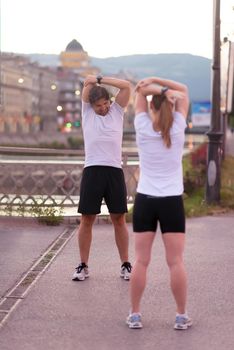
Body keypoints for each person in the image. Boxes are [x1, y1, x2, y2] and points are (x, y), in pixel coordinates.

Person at [126, 76, 192, 330]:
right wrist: (165, 87)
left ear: (151, 107)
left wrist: (153, 84)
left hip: (146, 200)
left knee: (141, 260)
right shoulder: (177, 126)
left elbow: (139, 91)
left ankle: (134, 314)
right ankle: (181, 315)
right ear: (172, 107)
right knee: (175, 261)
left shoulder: (142, 126)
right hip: (171, 201)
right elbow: (184, 89)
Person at [72, 75, 132, 282]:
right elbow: (86, 87)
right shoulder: (87, 112)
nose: (103, 108)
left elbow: (126, 86)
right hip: (92, 171)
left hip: (114, 171)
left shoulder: (117, 110)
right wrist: (89, 82)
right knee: (86, 219)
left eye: (106, 103)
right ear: (91, 105)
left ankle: (125, 264)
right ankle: (83, 266)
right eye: (99, 105)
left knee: (119, 219)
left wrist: (99, 78)